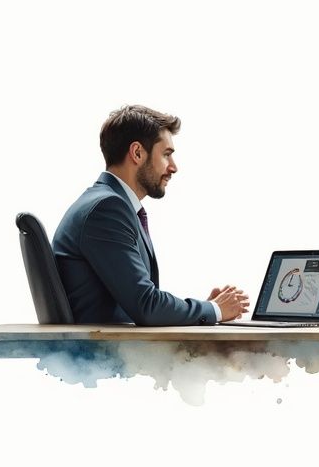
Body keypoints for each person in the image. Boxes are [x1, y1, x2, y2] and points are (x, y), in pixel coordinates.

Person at [53, 105, 249, 325]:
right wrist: (214, 310)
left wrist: (204, 311)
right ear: (137, 153)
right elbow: (147, 305)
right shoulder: (107, 209)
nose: (173, 167)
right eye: (166, 155)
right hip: (103, 355)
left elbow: (142, 302)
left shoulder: (109, 204)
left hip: (113, 351)